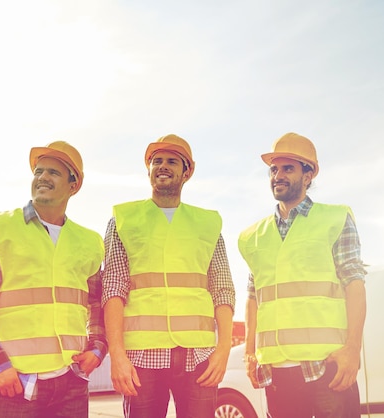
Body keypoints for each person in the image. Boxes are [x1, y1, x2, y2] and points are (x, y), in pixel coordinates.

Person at [0, 141, 107, 418]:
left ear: (73, 186)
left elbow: (97, 301)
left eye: (53, 172)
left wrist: (97, 348)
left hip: (72, 381)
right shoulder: (0, 227)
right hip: (14, 383)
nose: (42, 177)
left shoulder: (90, 242)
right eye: (38, 171)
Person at [102, 134, 236, 418]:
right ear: (148, 169)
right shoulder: (123, 220)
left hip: (199, 357)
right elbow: (112, 288)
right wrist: (117, 355)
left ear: (187, 171)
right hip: (141, 359)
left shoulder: (208, 224)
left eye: (172, 161)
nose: (163, 166)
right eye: (156, 161)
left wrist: (223, 349)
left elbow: (223, 289)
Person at [238, 132, 367, 418]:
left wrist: (352, 350)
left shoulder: (335, 219)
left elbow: (355, 284)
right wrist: (249, 352)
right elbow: (252, 296)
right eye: (274, 169)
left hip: (328, 367)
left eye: (288, 168)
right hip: (277, 373)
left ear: (308, 176)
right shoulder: (253, 236)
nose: (278, 175)